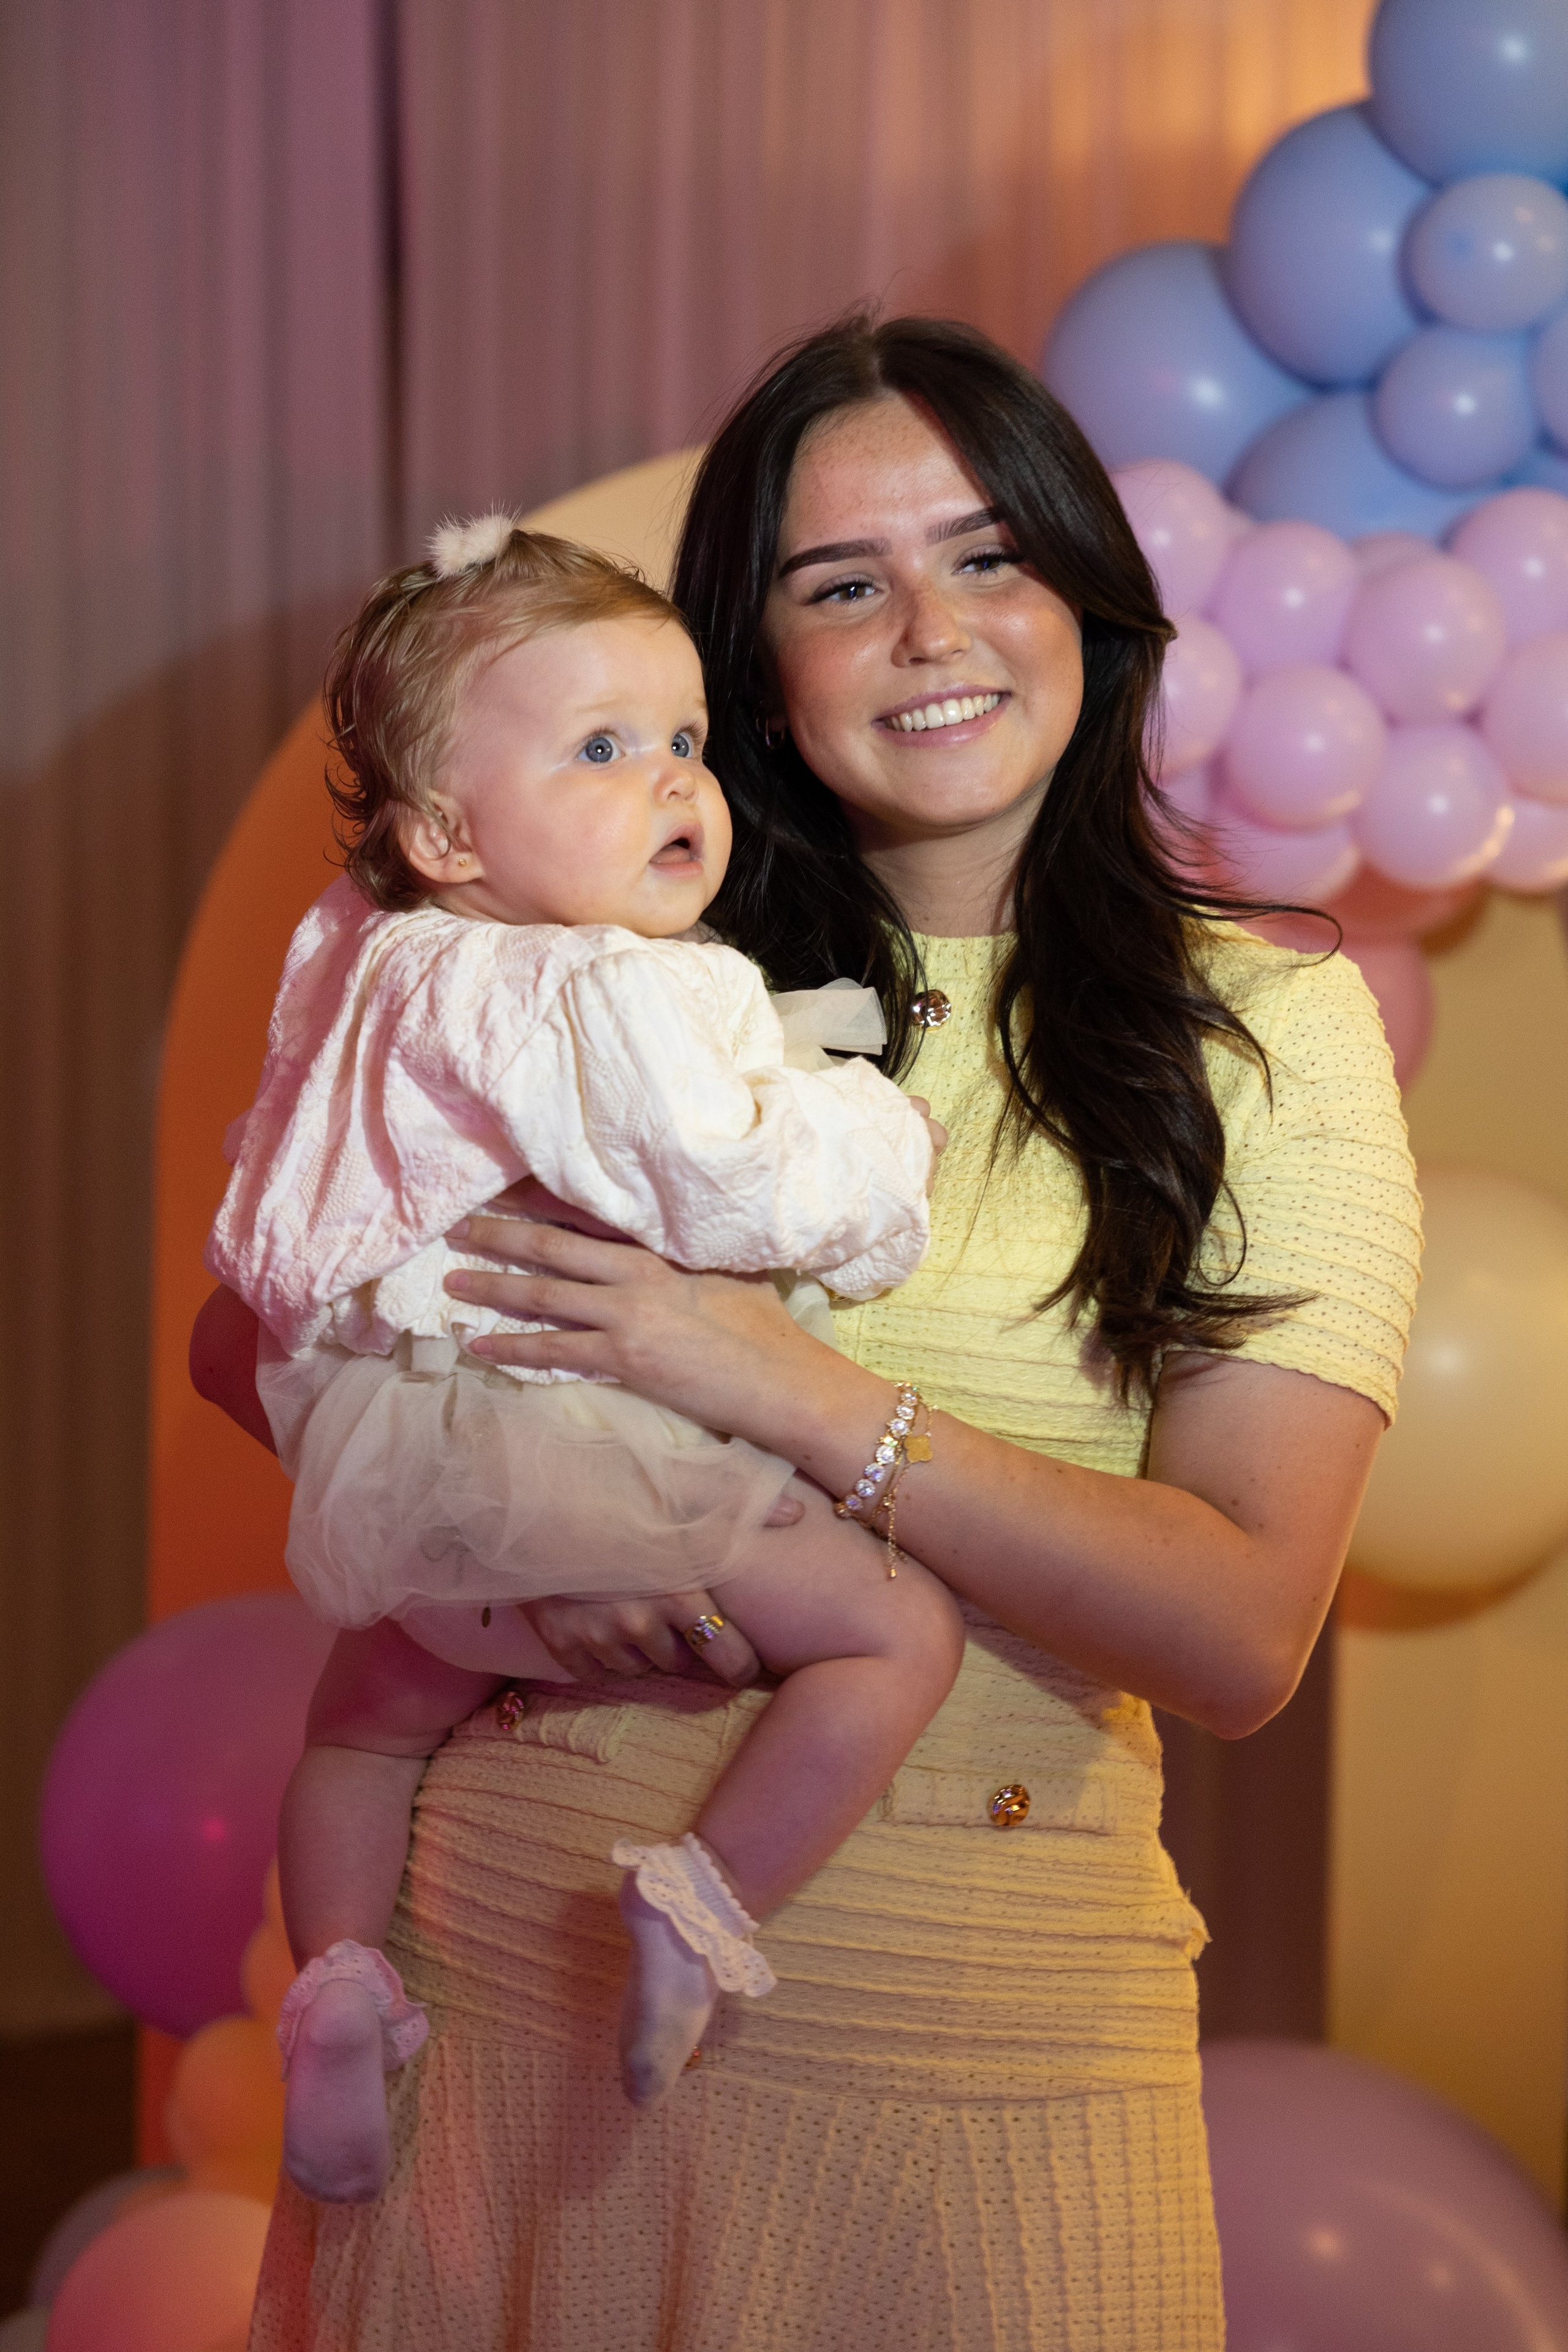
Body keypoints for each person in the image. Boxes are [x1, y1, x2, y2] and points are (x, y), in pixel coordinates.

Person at [199, 313, 1420, 2352]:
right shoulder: (598, 948)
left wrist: (785, 1391)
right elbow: (253, 1340)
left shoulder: (1266, 1036)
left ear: (1087, 598)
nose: (929, 630)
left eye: (986, 556)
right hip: (496, 2024)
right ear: (750, 663)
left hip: (972, 2071)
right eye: (840, 585)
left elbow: (1237, 1634)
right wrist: (523, 1551)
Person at [208, 520, 962, 2197]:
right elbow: (726, 1191)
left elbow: (273, 1243)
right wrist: (869, 1143)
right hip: (613, 1446)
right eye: (603, 751)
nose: (673, 785)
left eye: (684, 740)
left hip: (415, 1465)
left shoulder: (371, 969)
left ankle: (338, 1977)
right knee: (894, 1637)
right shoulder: (605, 992)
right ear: (452, 836)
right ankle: (705, 1901)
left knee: (364, 1732)